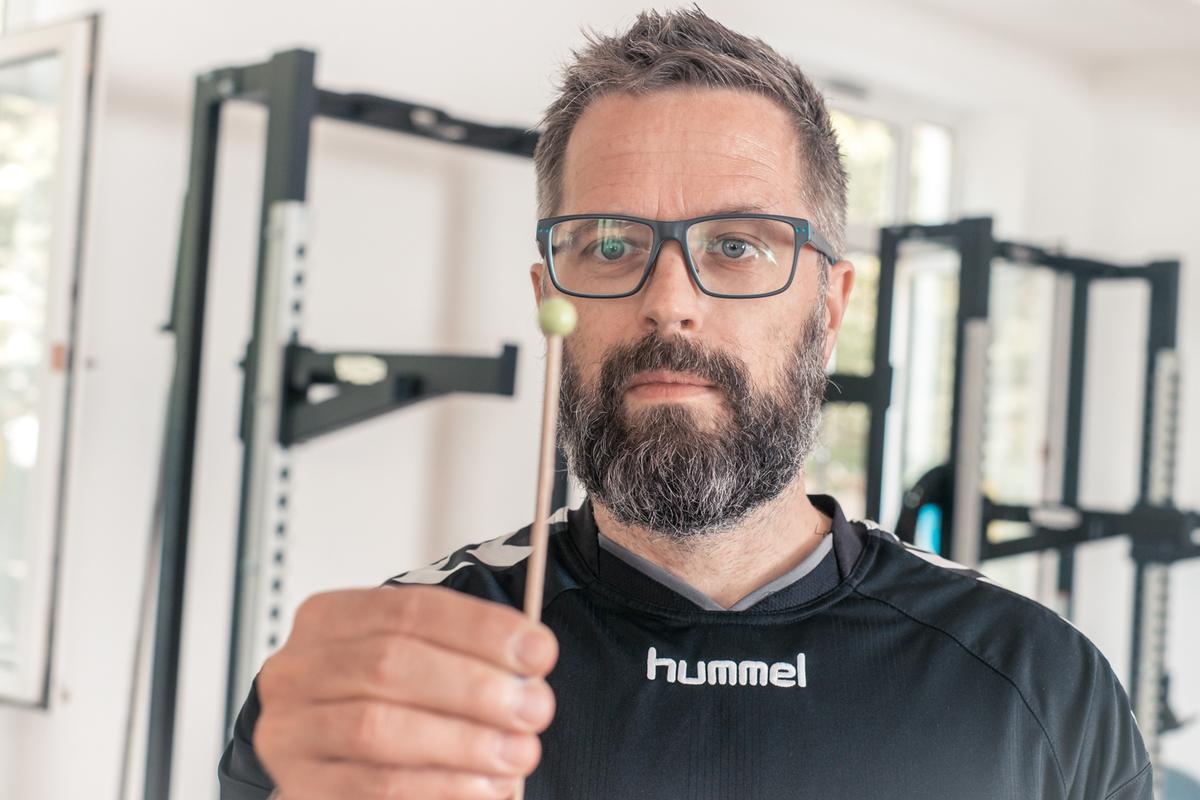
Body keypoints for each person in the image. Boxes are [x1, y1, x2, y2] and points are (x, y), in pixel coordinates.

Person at [219, 8, 1151, 799]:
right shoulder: (388, 690)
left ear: (829, 309)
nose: (670, 302)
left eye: (738, 246)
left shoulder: (1039, 684)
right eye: (610, 246)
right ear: (549, 296)